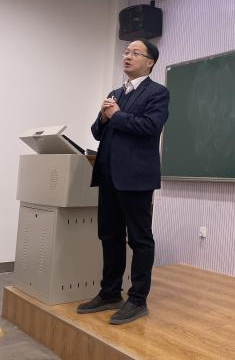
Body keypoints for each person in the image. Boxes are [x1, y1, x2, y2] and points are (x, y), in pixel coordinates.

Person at [77, 38, 169, 325]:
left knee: (140, 239)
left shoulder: (158, 93)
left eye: (135, 53)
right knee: (110, 236)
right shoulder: (114, 93)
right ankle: (110, 293)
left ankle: (137, 299)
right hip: (108, 176)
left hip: (136, 178)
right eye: (126, 52)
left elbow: (150, 127)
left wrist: (115, 115)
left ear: (150, 62)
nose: (127, 56)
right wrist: (104, 118)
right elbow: (97, 132)